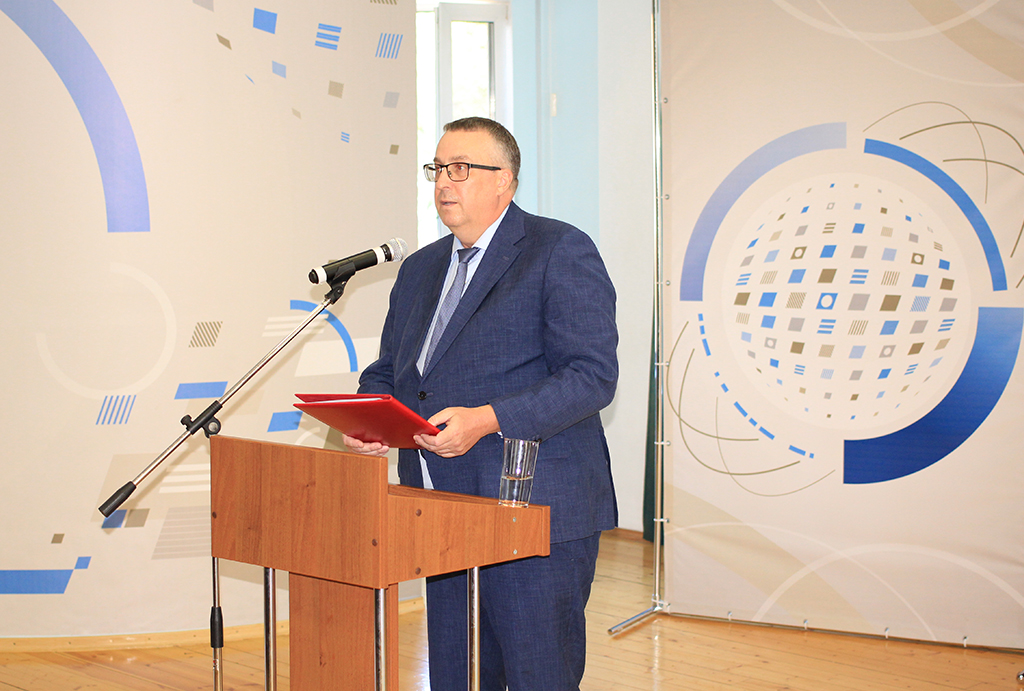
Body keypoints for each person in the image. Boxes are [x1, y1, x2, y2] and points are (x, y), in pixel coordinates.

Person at [342, 116, 618, 690]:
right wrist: (370, 417)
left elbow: (591, 376)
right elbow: (391, 370)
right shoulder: (420, 269)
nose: (444, 181)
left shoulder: (558, 249)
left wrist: (488, 420)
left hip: (533, 508)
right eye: (438, 168)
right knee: (459, 675)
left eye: (461, 168)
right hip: (440, 508)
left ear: (504, 181)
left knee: (539, 674)